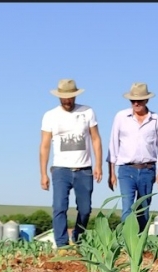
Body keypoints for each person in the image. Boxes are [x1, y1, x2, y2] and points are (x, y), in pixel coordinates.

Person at [39, 78, 103, 249]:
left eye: (70, 97)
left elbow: (96, 139)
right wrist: (43, 173)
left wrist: (98, 165)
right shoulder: (50, 116)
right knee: (59, 206)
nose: (67, 101)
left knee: (85, 209)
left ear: (75, 96)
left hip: (84, 169)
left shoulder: (87, 112)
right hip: (61, 169)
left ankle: (78, 238)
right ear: (59, 97)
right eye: (64, 98)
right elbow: (45, 145)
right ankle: (61, 244)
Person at [106, 82, 158, 232]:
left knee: (143, 209)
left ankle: (141, 243)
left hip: (148, 170)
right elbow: (113, 144)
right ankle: (127, 240)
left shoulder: (156, 119)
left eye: (139, 100)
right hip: (126, 170)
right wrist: (111, 173)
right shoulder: (121, 117)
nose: (136, 103)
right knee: (127, 206)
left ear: (146, 100)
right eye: (133, 100)